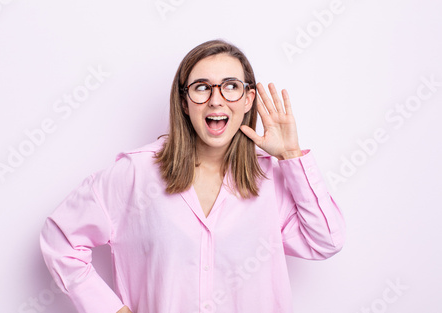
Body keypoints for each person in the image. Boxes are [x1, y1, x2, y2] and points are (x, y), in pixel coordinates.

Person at [39, 39, 346, 313]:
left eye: (230, 86)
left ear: (248, 99)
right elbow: (61, 239)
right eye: (202, 87)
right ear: (184, 102)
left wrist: (290, 155)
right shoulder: (135, 175)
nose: (216, 99)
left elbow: (326, 241)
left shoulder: (270, 178)